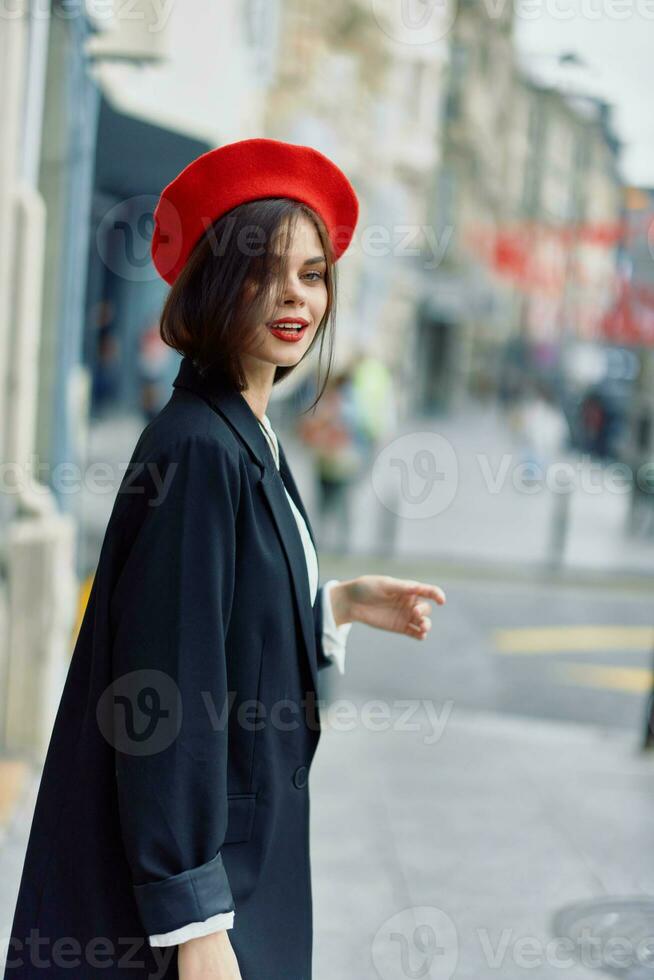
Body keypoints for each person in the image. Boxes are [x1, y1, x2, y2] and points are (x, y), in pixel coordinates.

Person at [3, 138, 447, 980]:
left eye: (313, 274)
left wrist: (334, 602)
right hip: (201, 904)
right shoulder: (201, 448)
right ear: (213, 280)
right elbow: (165, 691)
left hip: (243, 868)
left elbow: (219, 616)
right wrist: (195, 921)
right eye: (264, 269)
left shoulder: (246, 435)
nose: (295, 296)